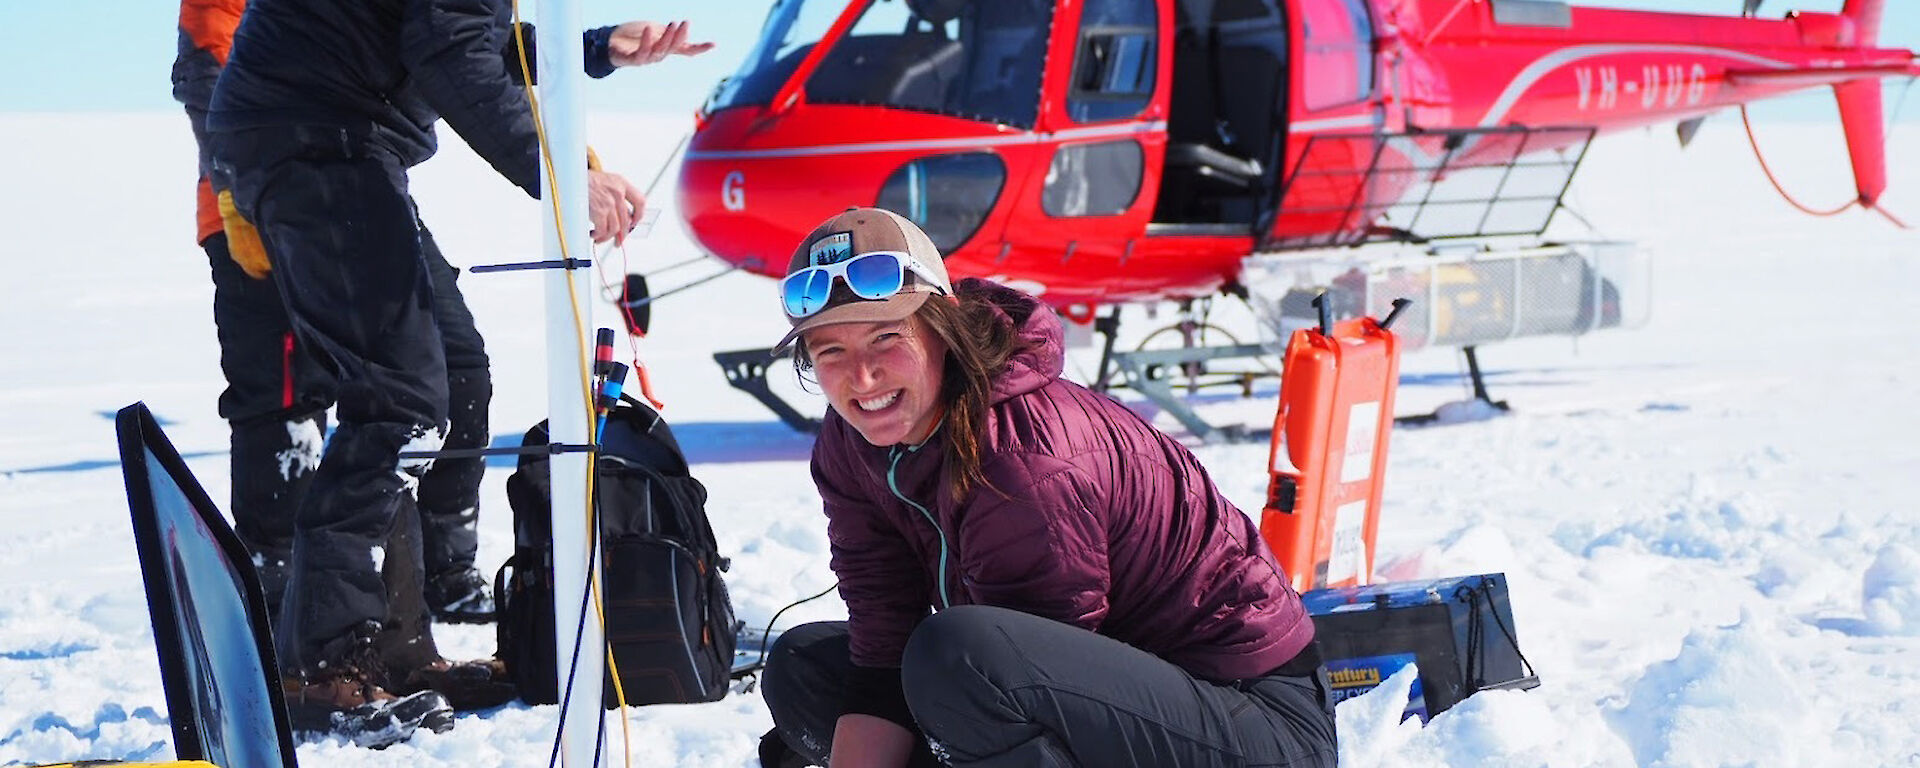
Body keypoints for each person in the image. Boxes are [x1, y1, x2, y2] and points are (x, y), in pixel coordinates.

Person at [202, 0, 711, 738]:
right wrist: (557, 172)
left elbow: (447, 30)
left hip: (345, 139)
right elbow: (446, 50)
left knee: (458, 378)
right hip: (309, 139)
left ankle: (399, 652)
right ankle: (320, 662)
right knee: (400, 398)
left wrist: (594, 48)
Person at [756, 208, 1338, 768]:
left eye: (886, 337)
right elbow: (883, 641)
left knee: (959, 658)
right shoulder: (853, 443)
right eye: (831, 350)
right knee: (806, 670)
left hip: (1252, 718)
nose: (862, 376)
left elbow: (1025, 675)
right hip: (1109, 694)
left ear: (942, 326)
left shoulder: (1023, 456)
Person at [174, 0, 496, 632]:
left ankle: (441, 569)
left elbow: (434, 42)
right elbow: (206, 70)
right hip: (253, 198)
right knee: (286, 394)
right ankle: (276, 583)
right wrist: (234, 193)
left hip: (354, 182)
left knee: (451, 366)